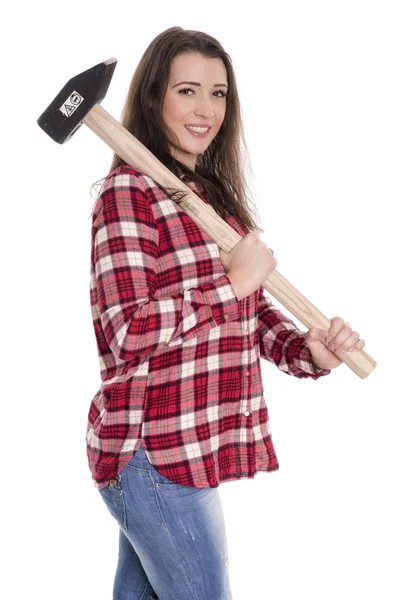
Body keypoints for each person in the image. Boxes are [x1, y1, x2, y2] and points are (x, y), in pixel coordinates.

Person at [85, 26, 365, 600]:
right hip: (154, 454)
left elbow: (251, 315)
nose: (205, 109)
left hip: (191, 447)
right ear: (153, 96)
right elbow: (126, 331)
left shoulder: (208, 199)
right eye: (188, 90)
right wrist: (229, 282)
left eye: (218, 93)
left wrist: (307, 351)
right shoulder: (128, 194)